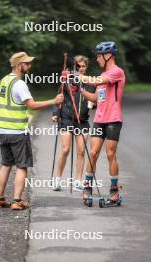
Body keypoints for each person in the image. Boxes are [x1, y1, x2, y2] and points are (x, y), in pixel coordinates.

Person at [0, 51, 64, 210]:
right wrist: (55, 100)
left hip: (3, 131)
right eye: (27, 63)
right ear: (19, 65)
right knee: (22, 166)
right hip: (17, 131)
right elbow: (32, 105)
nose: (29, 66)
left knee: (6, 164)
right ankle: (17, 201)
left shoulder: (4, 80)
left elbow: (0, 99)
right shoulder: (19, 83)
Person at [79, 42, 126, 202]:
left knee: (110, 153)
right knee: (93, 153)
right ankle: (87, 187)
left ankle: (114, 190)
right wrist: (80, 89)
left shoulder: (116, 72)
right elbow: (95, 99)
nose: (97, 59)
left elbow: (94, 80)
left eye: (99, 56)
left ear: (109, 56)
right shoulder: (102, 78)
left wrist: (79, 77)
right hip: (99, 119)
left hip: (113, 119)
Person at [52, 55, 96, 191]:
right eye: (78, 66)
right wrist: (55, 114)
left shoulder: (90, 82)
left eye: (83, 66)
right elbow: (59, 97)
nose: (81, 68)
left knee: (81, 151)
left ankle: (78, 180)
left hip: (82, 121)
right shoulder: (67, 79)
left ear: (86, 67)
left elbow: (94, 101)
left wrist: (93, 105)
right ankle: (57, 179)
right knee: (65, 149)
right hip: (66, 117)